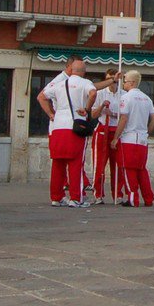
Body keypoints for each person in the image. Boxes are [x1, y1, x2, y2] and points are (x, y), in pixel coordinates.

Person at [38, 57, 95, 207]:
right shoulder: (85, 83)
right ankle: (76, 198)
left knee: (58, 163)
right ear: (83, 72)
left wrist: (51, 113)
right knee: (76, 163)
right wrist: (87, 109)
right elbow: (93, 93)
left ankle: (56, 197)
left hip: (57, 126)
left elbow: (42, 97)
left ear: (71, 70)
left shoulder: (59, 84)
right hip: (74, 126)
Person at [112, 71, 154, 206]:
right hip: (142, 139)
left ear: (131, 82)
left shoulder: (126, 98)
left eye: (125, 81)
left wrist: (115, 137)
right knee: (141, 169)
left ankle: (133, 198)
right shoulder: (146, 98)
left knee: (128, 169)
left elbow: (124, 118)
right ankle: (148, 198)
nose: (123, 83)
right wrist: (147, 132)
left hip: (129, 138)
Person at [89, 69, 123, 205]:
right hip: (103, 130)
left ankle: (118, 194)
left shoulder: (124, 95)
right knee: (99, 165)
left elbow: (126, 115)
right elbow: (93, 114)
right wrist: (102, 107)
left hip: (117, 130)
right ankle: (98, 194)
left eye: (114, 79)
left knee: (118, 165)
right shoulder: (100, 94)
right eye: (109, 79)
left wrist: (113, 113)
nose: (112, 82)